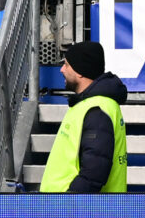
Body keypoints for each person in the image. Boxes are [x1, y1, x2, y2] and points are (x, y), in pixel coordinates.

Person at [37, 40, 126, 194]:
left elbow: (94, 173)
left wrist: (70, 202)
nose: (62, 70)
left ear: (79, 71)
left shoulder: (96, 109)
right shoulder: (91, 105)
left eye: (66, 65)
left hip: (75, 207)